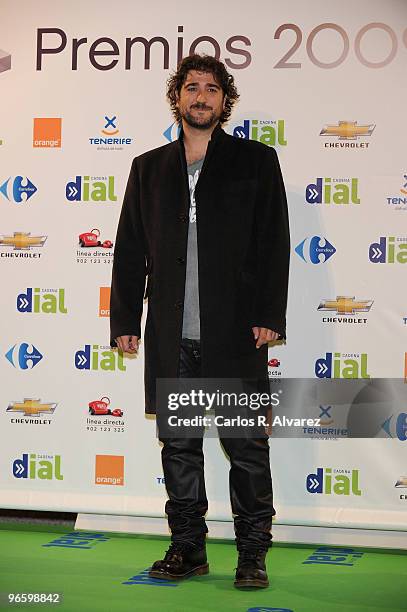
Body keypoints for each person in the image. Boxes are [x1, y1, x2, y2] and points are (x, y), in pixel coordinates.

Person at [110, 53, 290, 589]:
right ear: (178, 97)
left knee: (247, 450)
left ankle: (252, 554)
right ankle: (188, 549)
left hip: (236, 336)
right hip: (172, 338)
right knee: (180, 448)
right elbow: (129, 248)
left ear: (224, 101)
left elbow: (273, 242)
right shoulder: (148, 168)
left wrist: (268, 315)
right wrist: (125, 318)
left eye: (212, 89)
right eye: (192, 88)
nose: (202, 97)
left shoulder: (255, 161)